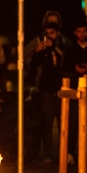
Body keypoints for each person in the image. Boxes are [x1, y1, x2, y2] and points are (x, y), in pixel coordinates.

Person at [26, 18, 65, 164]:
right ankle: (49, 154)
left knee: (64, 125)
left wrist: (52, 48)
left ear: (58, 34)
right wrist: (38, 52)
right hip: (46, 92)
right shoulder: (42, 50)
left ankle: (65, 153)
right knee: (47, 126)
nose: (49, 36)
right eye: (47, 33)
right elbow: (33, 66)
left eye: (52, 33)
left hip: (62, 91)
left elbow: (63, 61)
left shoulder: (62, 46)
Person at [63, 20, 87, 163]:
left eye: (84, 31)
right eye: (79, 31)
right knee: (73, 122)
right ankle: (70, 153)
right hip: (74, 89)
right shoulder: (70, 50)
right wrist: (75, 70)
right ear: (75, 33)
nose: (82, 34)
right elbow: (64, 69)